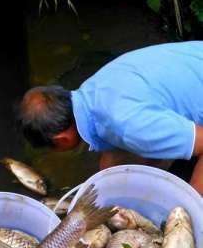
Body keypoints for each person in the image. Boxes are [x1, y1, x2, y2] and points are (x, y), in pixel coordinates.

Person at [16, 41, 203, 196]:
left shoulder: (127, 125)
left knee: (186, 204)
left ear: (61, 139)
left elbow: (131, 129)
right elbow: (114, 154)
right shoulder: (94, 89)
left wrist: (193, 206)